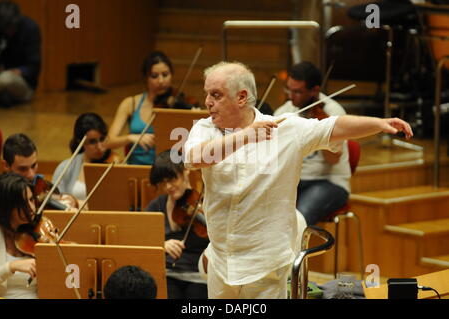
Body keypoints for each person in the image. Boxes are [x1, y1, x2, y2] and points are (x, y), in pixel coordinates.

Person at [183, 61, 413, 299]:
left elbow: (335, 126)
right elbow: (193, 157)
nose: (208, 102)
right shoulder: (204, 128)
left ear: (241, 97)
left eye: (216, 95)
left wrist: (380, 123)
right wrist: (245, 136)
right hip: (221, 260)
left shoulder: (286, 129)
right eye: (207, 94)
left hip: (265, 263)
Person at [274, 61, 350, 225]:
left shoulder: (332, 113)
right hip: (293, 181)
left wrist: (322, 128)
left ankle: (298, 251)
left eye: (298, 92)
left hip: (328, 182)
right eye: (289, 89)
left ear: (315, 90)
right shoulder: (284, 112)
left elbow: (333, 159)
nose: (290, 96)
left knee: (298, 220)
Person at [106, 51, 197, 165]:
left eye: (165, 75)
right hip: (137, 167)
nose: (160, 81)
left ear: (171, 75)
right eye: (154, 76)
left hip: (169, 170)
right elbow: (108, 142)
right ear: (145, 78)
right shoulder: (130, 103)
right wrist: (131, 138)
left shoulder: (179, 103)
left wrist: (194, 115)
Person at [145, 150, 208, 299]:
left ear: (186, 171)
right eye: (163, 182)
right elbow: (141, 241)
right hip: (167, 274)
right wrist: (162, 245)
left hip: (198, 276)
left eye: (172, 179)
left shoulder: (205, 204)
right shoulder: (157, 206)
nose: (168, 187)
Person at [52, 113, 120, 201]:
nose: (99, 147)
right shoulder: (66, 167)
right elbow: (54, 198)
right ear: (80, 141)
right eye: (92, 142)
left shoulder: (114, 162)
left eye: (102, 139)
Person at [2, 133, 78, 209]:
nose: (31, 175)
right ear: (6, 166)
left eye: (33, 166)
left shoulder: (48, 188)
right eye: (23, 169)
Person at [0, 172, 37, 298]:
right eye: (24, 204)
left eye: (31, 200)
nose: (32, 208)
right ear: (7, 207)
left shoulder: (39, 233)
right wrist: (11, 267)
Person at [0, 1, 41, 108]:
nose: (7, 32)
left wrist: (18, 71)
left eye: (9, 27)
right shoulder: (1, 29)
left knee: (6, 79)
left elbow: (34, 66)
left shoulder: (30, 28)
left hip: (23, 83)